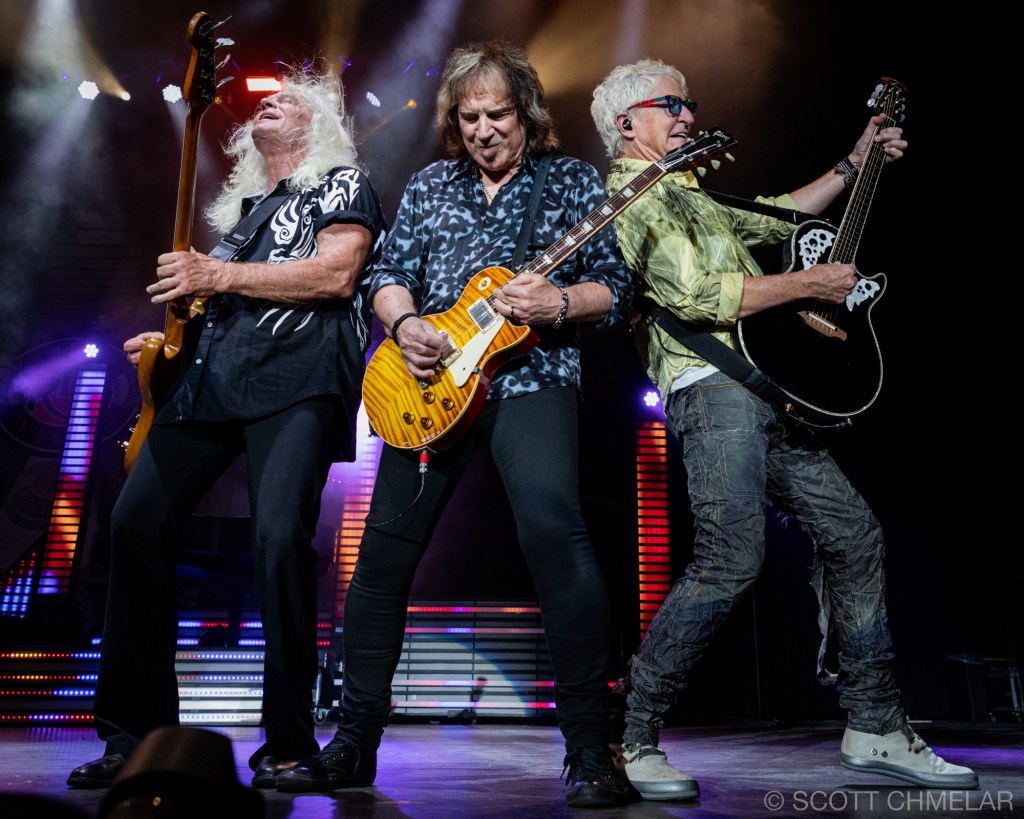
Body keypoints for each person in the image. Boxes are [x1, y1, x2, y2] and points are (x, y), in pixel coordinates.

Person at [589, 59, 978, 800]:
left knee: (855, 534)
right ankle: (629, 733)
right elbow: (697, 294)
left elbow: (779, 213)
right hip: (711, 390)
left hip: (770, 389)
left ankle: (874, 723)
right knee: (730, 556)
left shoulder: (692, 191)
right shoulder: (631, 197)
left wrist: (854, 161)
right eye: (673, 104)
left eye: (689, 103)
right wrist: (806, 283)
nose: (689, 115)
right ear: (627, 122)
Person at [274, 40, 634, 808]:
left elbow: (617, 287)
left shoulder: (571, 181)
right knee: (380, 559)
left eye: (497, 114)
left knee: (556, 536)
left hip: (532, 380)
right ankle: (354, 743)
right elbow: (386, 274)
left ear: (526, 113)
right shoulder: (433, 184)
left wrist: (559, 302)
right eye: (469, 117)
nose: (483, 130)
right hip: (430, 387)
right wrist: (405, 325)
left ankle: (590, 750)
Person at [66, 64, 387, 790]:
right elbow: (218, 304)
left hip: (298, 379)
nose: (271, 102)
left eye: (290, 101)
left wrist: (216, 276)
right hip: (209, 384)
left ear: (319, 127)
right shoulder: (242, 218)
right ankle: (135, 736)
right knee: (135, 521)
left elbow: (336, 275)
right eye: (267, 101)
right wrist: (165, 346)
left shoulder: (342, 185)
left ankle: (290, 742)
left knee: (278, 541)